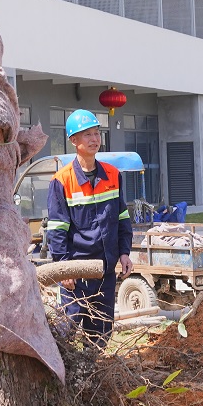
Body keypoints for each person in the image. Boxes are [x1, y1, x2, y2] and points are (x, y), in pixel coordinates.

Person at [47, 109, 133, 344]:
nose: (94, 139)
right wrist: (64, 269)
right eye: (87, 134)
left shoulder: (113, 175)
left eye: (96, 133)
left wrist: (124, 252)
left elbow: (122, 218)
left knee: (101, 333)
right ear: (74, 140)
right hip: (76, 273)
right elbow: (57, 230)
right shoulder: (62, 180)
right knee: (66, 331)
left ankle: (95, 366)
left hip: (105, 270)